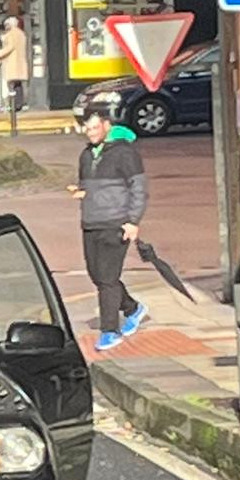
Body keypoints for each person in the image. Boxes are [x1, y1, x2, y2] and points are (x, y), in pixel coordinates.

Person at [70, 106, 149, 350]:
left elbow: (139, 189)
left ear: (107, 125)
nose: (90, 133)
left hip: (116, 224)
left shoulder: (125, 153)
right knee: (98, 276)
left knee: (107, 279)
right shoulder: (86, 155)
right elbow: (90, 185)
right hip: (91, 223)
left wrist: (133, 221)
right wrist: (82, 192)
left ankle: (110, 331)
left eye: (95, 128)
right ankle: (133, 309)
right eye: (87, 129)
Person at [0, 15, 29, 111]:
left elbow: (9, 47)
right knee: (18, 84)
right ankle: (19, 104)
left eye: (6, 24)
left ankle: (13, 105)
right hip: (20, 61)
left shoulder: (11, 34)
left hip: (12, 62)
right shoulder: (22, 34)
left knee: (10, 84)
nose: (5, 27)